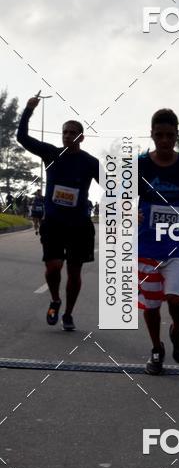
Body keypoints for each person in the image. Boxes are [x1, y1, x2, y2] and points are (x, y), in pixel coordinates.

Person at [17, 92, 99, 330]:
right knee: (53, 268)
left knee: (74, 273)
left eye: (73, 133)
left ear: (81, 137)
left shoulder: (90, 162)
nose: (68, 136)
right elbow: (22, 137)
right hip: (53, 223)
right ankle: (55, 299)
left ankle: (69, 314)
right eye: (65, 132)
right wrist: (29, 109)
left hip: (79, 226)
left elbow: (114, 187)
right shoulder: (51, 154)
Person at [137, 108, 179, 375]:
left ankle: (176, 330)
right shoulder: (140, 165)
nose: (165, 140)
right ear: (152, 135)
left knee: (175, 300)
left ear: (177, 135)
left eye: (170, 135)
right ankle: (156, 348)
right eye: (159, 135)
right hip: (146, 245)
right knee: (152, 304)